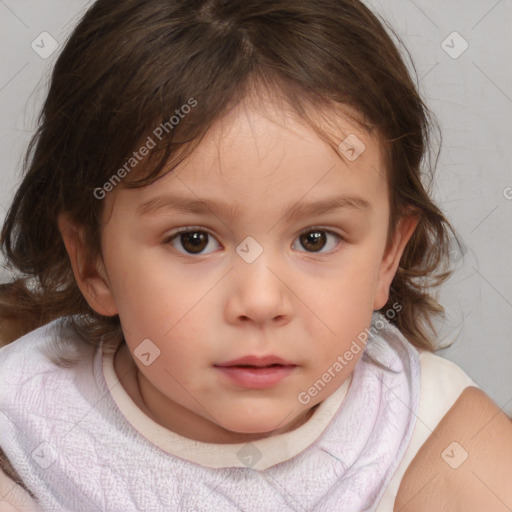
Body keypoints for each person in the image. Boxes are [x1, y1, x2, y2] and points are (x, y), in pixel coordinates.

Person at [1, 0, 511, 510]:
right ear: (94, 262)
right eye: (194, 240)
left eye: (316, 239)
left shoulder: (434, 441)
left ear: (387, 257)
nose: (262, 301)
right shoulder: (22, 428)